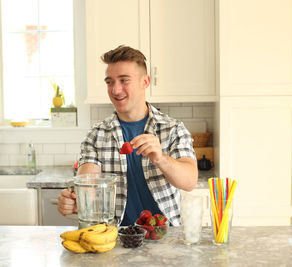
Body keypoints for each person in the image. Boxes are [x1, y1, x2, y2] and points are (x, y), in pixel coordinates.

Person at [57, 45, 198, 226]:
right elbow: (88, 185)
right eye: (109, 82)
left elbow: (189, 181)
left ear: (145, 82)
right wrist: (77, 201)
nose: (115, 90)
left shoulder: (173, 129)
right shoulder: (97, 135)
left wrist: (161, 158)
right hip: (115, 239)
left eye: (124, 80)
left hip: (165, 236)